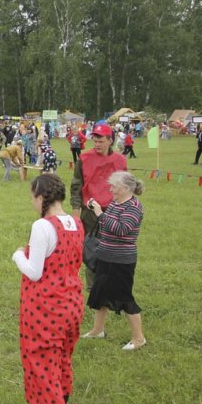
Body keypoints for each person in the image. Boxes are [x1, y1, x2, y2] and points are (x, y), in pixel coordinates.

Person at [11, 174, 83, 404]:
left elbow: (34, 270)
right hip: (71, 304)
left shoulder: (42, 226)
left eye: (33, 197)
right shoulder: (76, 223)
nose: (32, 202)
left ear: (42, 197)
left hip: (45, 309)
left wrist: (18, 254)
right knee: (62, 361)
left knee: (44, 367)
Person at [82, 171, 146, 351]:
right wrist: (98, 211)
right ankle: (97, 331)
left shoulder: (133, 207)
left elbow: (121, 229)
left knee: (125, 298)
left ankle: (138, 338)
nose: (110, 189)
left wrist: (99, 213)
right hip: (105, 257)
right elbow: (105, 225)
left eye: (114, 186)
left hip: (121, 261)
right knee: (99, 295)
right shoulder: (115, 204)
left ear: (126, 188)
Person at [70, 123, 127, 289]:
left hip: (113, 211)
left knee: (113, 250)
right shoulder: (84, 159)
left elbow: (125, 186)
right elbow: (76, 186)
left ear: (110, 141)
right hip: (90, 213)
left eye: (100, 141)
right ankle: (94, 289)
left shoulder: (120, 160)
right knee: (92, 251)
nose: (97, 144)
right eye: (95, 140)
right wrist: (75, 214)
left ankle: (112, 284)